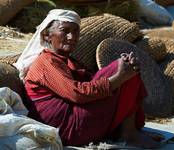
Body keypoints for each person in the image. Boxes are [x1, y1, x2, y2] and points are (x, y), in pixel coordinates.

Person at [14, 9, 162, 148]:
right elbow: (77, 94)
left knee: (125, 68)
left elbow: (91, 83)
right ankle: (128, 134)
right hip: (67, 129)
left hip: (76, 124)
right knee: (118, 68)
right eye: (65, 31)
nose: (71, 37)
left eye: (75, 31)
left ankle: (129, 131)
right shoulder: (46, 63)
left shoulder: (68, 61)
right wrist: (119, 76)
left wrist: (123, 74)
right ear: (47, 35)